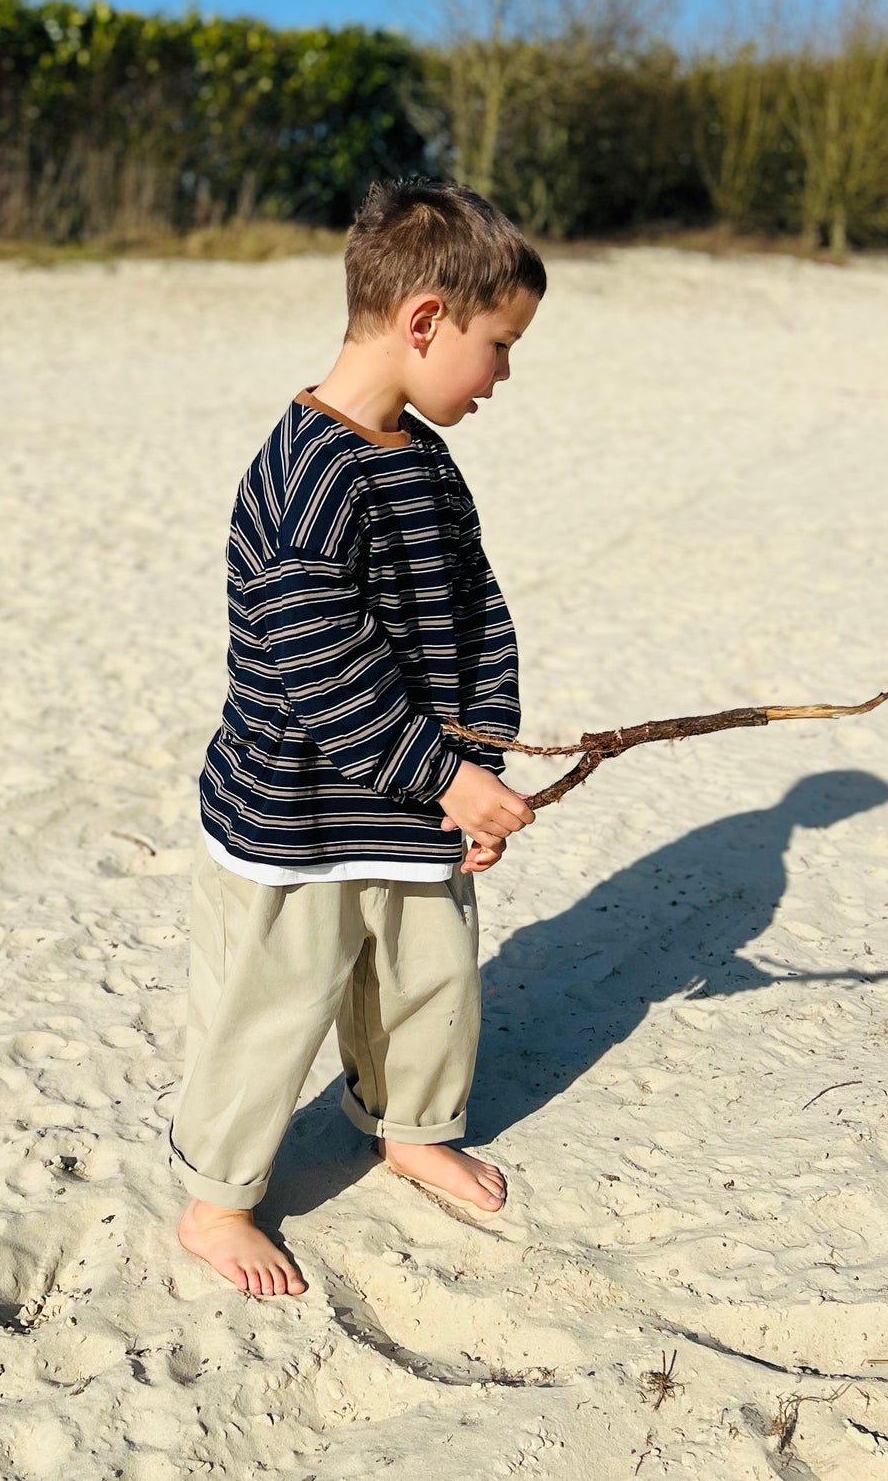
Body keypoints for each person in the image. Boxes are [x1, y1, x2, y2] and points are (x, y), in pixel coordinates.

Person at [168, 176, 546, 1298]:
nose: (504, 375)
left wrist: (477, 763)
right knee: (271, 999)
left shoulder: (422, 458)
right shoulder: (305, 477)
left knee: (426, 978)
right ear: (423, 320)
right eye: (498, 344)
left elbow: (476, 607)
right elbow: (314, 658)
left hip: (416, 793)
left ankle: (408, 1124)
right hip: (297, 808)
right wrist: (440, 777)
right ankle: (217, 1198)